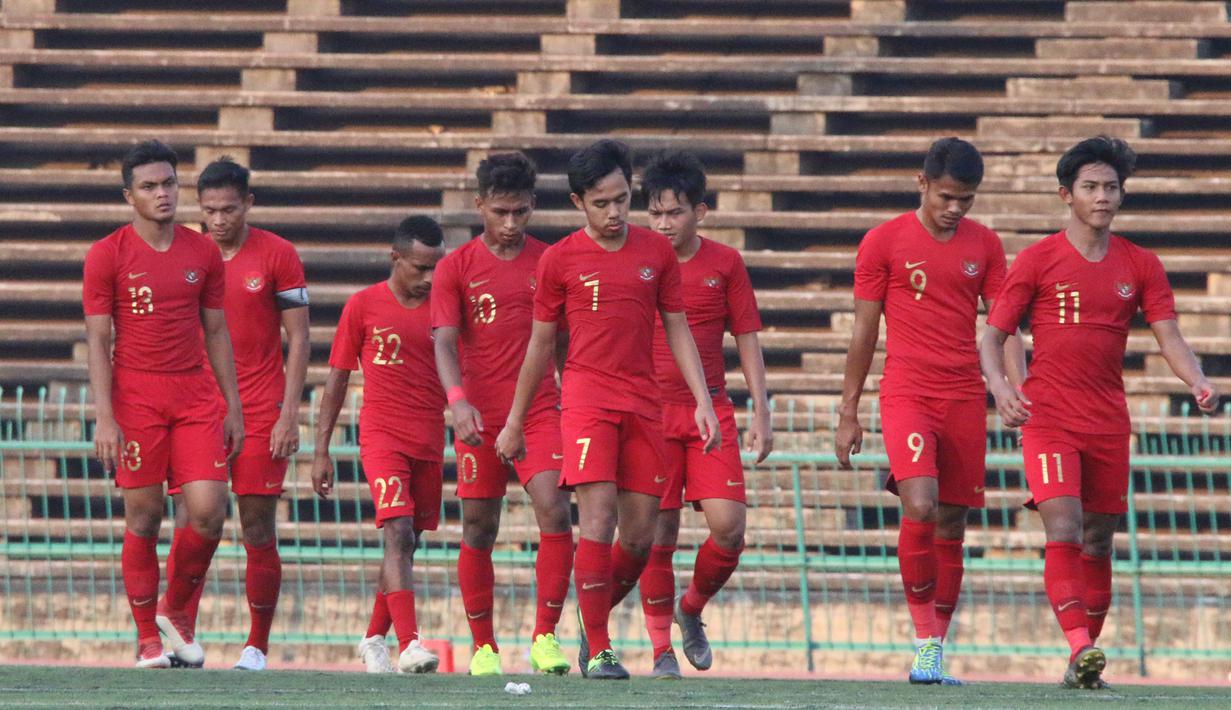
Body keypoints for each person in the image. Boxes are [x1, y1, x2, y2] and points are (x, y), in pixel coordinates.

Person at [980, 135, 1220, 689]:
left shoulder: (1140, 263)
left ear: (1122, 195)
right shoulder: (1039, 259)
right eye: (1090, 187)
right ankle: (1082, 643)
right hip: (1050, 417)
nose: (1103, 196)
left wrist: (1199, 380)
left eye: (1111, 187)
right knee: (1062, 524)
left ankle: (1079, 667)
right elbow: (993, 337)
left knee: (1099, 539)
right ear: (1067, 195)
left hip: (1109, 419)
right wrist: (1001, 388)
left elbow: (1170, 336)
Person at [496, 139, 720, 680]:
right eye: (602, 203)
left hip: (647, 404)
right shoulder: (559, 260)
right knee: (596, 518)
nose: (615, 212)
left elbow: (677, 328)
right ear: (578, 203)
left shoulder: (656, 253)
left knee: (640, 540)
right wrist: (514, 421)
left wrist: (703, 401)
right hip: (587, 401)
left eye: (622, 199)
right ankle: (599, 647)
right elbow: (540, 346)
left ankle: (589, 609)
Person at [835, 137, 1021, 685]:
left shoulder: (985, 245)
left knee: (954, 522)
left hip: (964, 394)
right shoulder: (883, 242)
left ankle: (937, 645)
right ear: (922, 184)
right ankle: (922, 640)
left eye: (966, 198)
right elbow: (864, 330)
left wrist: (1012, 386)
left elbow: (1004, 323)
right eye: (946, 196)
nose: (956, 208)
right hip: (908, 393)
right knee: (920, 503)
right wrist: (849, 409)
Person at [83, 139, 244, 668]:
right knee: (145, 516)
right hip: (136, 397)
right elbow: (99, 340)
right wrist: (105, 415)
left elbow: (216, 330)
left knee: (208, 512)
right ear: (129, 195)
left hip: (195, 394)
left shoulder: (202, 252)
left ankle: (174, 612)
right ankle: (148, 640)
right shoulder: (107, 255)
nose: (163, 193)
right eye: (150, 186)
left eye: (170, 183)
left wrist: (232, 405)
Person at [164, 158, 310, 671]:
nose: (218, 220)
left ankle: (257, 645)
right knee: (194, 519)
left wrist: (289, 413)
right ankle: (180, 633)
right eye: (208, 211)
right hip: (197, 411)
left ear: (248, 204)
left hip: (260, 406)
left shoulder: (278, 254)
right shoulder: (184, 253)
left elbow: (300, 339)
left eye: (228, 209)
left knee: (256, 526)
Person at [431, 152, 573, 677]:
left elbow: (563, 341)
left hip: (538, 411)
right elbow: (444, 342)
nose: (510, 224)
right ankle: (484, 646)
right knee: (479, 527)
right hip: (479, 417)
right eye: (500, 212)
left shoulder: (552, 260)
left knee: (555, 509)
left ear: (533, 206)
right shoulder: (456, 268)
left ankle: (545, 639)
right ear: (480, 207)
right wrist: (457, 399)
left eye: (520, 212)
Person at [632, 150, 772, 679]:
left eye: (675, 212)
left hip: (709, 406)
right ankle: (659, 650)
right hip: (649, 411)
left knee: (729, 527)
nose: (664, 224)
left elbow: (748, 339)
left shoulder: (725, 263)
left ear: (701, 212)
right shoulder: (638, 261)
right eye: (656, 213)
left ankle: (690, 608)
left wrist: (762, 410)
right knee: (656, 534)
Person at [311, 216, 447, 675]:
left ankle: (373, 638)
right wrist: (322, 450)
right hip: (382, 435)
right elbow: (336, 379)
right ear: (395, 259)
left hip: (429, 438)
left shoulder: (444, 309)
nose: (429, 277)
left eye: (435, 267)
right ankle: (410, 643)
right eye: (419, 267)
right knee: (399, 532)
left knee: (409, 545)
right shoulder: (363, 306)